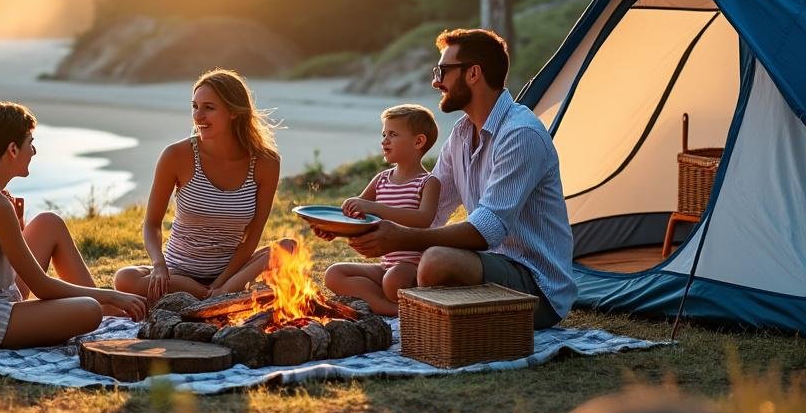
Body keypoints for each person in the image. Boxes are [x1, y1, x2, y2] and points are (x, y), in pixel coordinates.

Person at [313, 29, 575, 329]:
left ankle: (422, 311)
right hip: (485, 266)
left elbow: (485, 230)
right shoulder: (461, 135)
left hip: (536, 286)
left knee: (437, 261)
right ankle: (413, 308)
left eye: (442, 71)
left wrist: (400, 237)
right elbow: (430, 210)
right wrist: (347, 227)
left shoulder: (520, 134)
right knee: (353, 272)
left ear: (473, 73)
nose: (436, 82)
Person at [0, 101, 147, 349]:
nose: (33, 151)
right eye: (30, 143)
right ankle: (107, 304)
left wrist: (18, 223)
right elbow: (41, 286)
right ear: (12, 149)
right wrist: (111, 293)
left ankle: (111, 309)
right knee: (89, 310)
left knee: (49, 223)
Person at [113, 69, 284, 302]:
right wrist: (159, 265)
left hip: (230, 274)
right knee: (124, 278)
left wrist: (221, 282)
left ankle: (217, 294)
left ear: (234, 111)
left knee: (288, 247)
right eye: (195, 106)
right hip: (177, 275)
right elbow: (151, 224)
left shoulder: (266, 162)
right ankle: (212, 296)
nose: (198, 116)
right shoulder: (176, 156)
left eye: (209, 108)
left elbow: (252, 236)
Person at [323, 104, 441, 316]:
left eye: (393, 134)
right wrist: (332, 228)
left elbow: (423, 219)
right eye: (384, 134)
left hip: (412, 268)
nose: (384, 140)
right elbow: (355, 216)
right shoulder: (381, 180)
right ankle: (394, 309)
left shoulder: (428, 182)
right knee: (334, 274)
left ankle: (394, 304)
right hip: (385, 267)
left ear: (418, 141)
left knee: (393, 281)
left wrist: (374, 207)